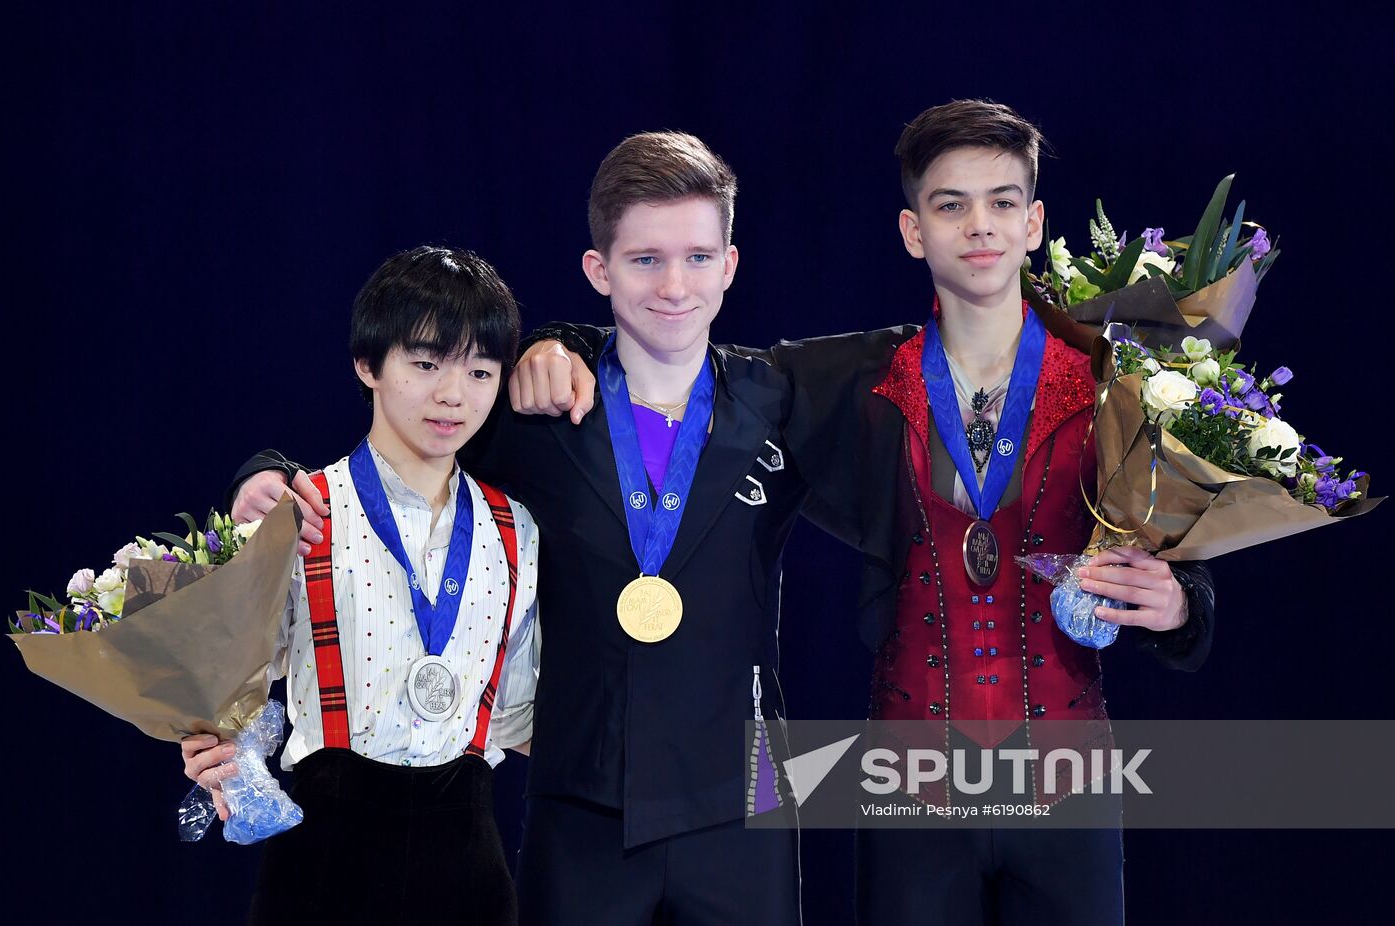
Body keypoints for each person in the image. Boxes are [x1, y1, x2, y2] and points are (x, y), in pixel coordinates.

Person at [514, 101, 1215, 925]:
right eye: (951, 204)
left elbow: (1176, 548)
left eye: (1000, 203)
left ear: (1034, 223)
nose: (978, 227)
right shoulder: (846, 380)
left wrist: (1180, 608)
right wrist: (552, 342)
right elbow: (680, 351)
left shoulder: (1112, 381)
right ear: (914, 230)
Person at [229, 133, 809, 925]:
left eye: (699, 257)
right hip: (582, 799)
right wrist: (260, 472)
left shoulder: (787, 399)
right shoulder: (534, 413)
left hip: (750, 784)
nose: (675, 284)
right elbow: (395, 442)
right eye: (645, 260)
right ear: (599, 270)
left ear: (731, 264)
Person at [183, 246, 540, 925]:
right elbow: (229, 691)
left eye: (480, 369)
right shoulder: (299, 511)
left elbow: (524, 714)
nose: (453, 394)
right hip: (324, 861)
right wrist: (208, 738)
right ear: (368, 364)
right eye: (427, 362)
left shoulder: (517, 531)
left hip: (466, 860)